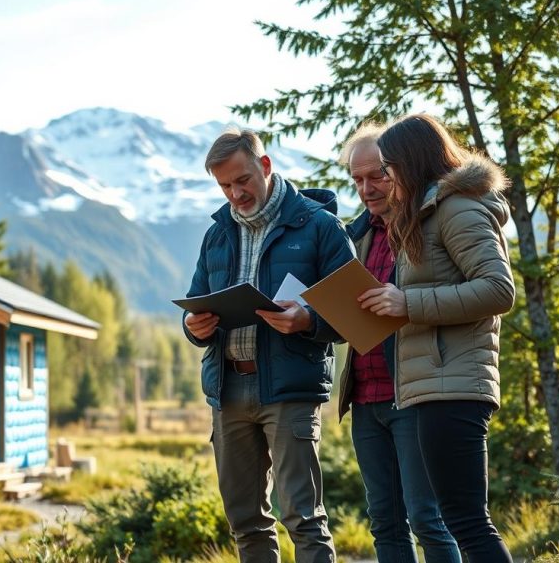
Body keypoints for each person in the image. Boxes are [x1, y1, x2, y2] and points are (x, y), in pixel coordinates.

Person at [183, 127, 355, 563]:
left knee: (303, 518)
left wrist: (307, 319)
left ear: (265, 166)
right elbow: (196, 300)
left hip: (289, 391)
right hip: (228, 391)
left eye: (242, 180)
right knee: (245, 522)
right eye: (224, 185)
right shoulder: (217, 234)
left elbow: (356, 311)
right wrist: (193, 325)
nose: (235, 194)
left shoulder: (320, 227)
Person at [359, 113, 515, 562]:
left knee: (466, 522)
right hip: (434, 385)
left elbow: (498, 289)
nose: (384, 179)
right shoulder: (428, 212)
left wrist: (408, 304)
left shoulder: (457, 209)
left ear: (411, 162)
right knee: (461, 518)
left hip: (455, 382)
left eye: (387, 168)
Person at [336, 123, 461, 562]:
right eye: (357, 179)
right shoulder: (356, 236)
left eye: (377, 176)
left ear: (399, 169)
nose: (366, 188)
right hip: (366, 395)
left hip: (414, 392)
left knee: (428, 519)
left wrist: (405, 302)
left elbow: (470, 294)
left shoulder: (428, 223)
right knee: (384, 522)